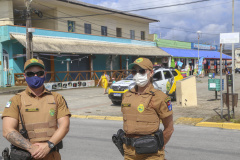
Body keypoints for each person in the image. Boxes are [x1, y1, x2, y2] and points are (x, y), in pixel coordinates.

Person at [2, 58, 71, 160]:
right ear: (25, 76)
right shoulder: (16, 100)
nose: (35, 76)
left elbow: (65, 126)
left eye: (39, 73)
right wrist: (32, 148)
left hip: (51, 156)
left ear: (45, 74)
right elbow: (7, 130)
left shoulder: (57, 98)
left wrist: (48, 146)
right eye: (30, 74)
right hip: (25, 156)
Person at [114, 57, 174, 160]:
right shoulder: (127, 96)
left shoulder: (160, 97)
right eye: (134, 71)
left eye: (141, 71)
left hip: (151, 153)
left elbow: (169, 128)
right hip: (129, 152)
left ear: (151, 73)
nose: (137, 74)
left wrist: (160, 144)